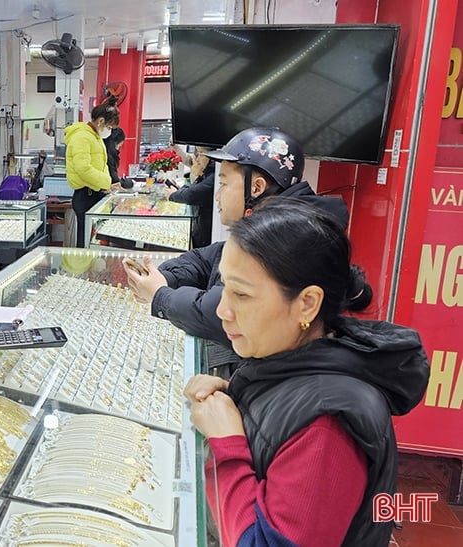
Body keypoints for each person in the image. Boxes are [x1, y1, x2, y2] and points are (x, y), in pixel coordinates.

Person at [185, 198, 429, 546]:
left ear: (307, 303)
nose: (223, 309)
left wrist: (227, 443)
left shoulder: (328, 428)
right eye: (225, 286)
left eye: (241, 294)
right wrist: (232, 399)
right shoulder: (287, 360)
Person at [124, 127, 349, 375]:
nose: (217, 195)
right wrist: (167, 276)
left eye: (223, 184)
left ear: (256, 187)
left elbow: (217, 314)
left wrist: (160, 295)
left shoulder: (289, 236)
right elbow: (207, 258)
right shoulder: (271, 224)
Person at [65, 99, 121, 247]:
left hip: (95, 193)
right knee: (86, 243)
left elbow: (100, 165)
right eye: (109, 126)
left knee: (94, 241)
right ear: (101, 121)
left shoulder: (94, 137)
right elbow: (83, 169)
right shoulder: (82, 137)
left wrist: (106, 184)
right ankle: (83, 270)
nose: (109, 130)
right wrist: (106, 182)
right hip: (86, 196)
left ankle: (92, 269)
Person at [164, 145, 215, 248]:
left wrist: (173, 195)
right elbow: (194, 188)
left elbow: (194, 193)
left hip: (206, 234)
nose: (197, 159)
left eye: (201, 154)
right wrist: (180, 189)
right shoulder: (207, 173)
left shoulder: (214, 174)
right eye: (198, 154)